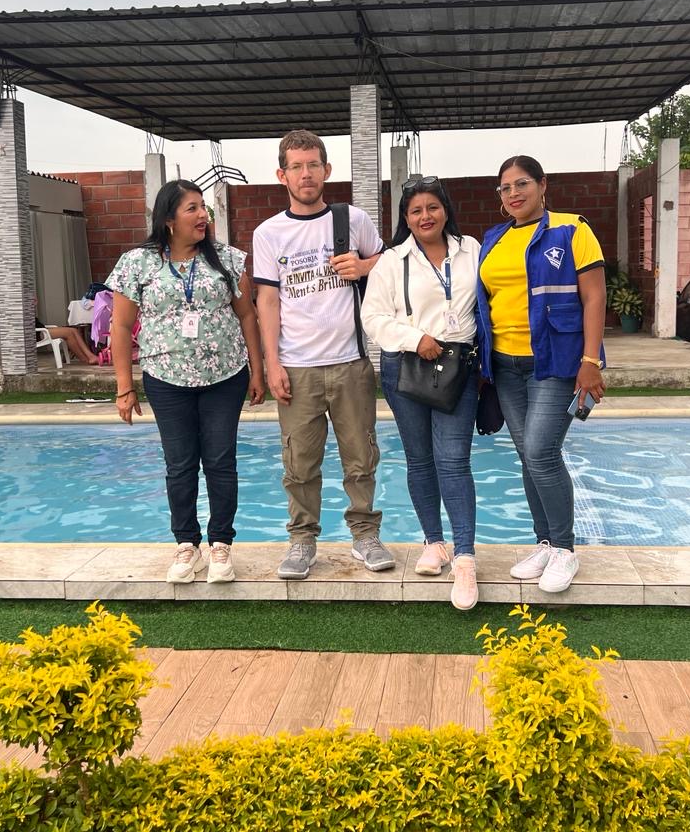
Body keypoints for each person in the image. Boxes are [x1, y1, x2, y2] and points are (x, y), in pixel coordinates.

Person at [106, 180, 265, 585]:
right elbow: (120, 327)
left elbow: (248, 315)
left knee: (220, 461)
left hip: (225, 377)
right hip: (166, 379)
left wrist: (258, 370)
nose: (203, 216)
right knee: (179, 464)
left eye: (204, 207)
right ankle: (186, 545)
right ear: (168, 219)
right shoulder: (137, 263)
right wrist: (125, 386)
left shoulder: (227, 259)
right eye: (192, 208)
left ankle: (221, 544)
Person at [252, 129, 391, 579]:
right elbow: (267, 301)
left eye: (313, 164)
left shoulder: (353, 219)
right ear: (282, 175)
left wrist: (365, 265)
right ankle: (302, 540)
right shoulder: (268, 233)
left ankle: (365, 535)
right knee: (299, 463)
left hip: (350, 362)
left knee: (361, 457)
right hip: (296, 367)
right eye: (296, 166)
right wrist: (272, 363)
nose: (306, 173)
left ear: (327, 170)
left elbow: (390, 265)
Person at [474, 155, 606, 593]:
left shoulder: (572, 229)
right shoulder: (493, 239)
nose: (513, 193)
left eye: (522, 184)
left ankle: (565, 549)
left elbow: (594, 297)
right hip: (505, 365)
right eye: (505, 187)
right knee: (527, 456)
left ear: (543, 184)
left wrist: (590, 361)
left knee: (541, 451)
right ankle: (545, 543)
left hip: (554, 361)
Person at [362, 176, 480, 610]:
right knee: (420, 459)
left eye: (432, 207)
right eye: (415, 211)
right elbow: (372, 318)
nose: (425, 216)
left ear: (445, 210)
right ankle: (434, 542)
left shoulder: (472, 250)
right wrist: (416, 339)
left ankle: (464, 556)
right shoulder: (392, 261)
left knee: (454, 459)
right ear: (405, 218)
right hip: (408, 365)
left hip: (458, 366)